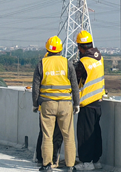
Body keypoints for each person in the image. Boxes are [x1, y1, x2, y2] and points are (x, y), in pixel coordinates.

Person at [32, 35, 79, 172]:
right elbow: (74, 85)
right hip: (65, 104)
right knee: (68, 135)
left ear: (48, 48)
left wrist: (35, 104)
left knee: (47, 135)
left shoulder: (42, 63)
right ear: (60, 49)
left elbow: (36, 87)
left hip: (47, 104)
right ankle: (70, 166)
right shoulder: (67, 63)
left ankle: (47, 165)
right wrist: (76, 103)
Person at [74, 30, 105, 170]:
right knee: (95, 133)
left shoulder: (83, 62)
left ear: (80, 47)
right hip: (98, 102)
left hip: (87, 102)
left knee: (85, 134)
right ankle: (96, 160)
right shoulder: (100, 58)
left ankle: (87, 162)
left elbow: (74, 80)